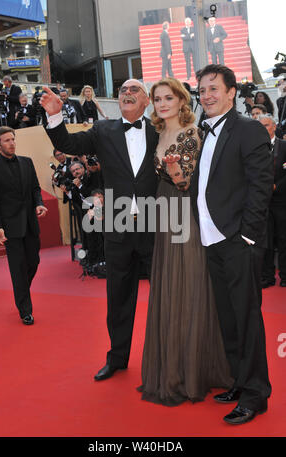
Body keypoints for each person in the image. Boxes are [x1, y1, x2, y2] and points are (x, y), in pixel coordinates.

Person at [40, 79, 159, 381]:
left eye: (135, 90)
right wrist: (55, 116)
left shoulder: (162, 130)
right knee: (118, 296)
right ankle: (117, 358)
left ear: (147, 100)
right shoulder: (103, 131)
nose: (127, 94)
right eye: (122, 91)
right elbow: (69, 145)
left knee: (166, 296)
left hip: (156, 227)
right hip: (117, 228)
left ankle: (167, 358)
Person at [138, 78, 233, 406]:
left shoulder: (191, 135)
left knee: (188, 286)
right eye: (157, 98)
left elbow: (191, 185)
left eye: (168, 97)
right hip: (165, 215)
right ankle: (172, 365)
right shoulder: (161, 132)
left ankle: (190, 371)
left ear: (181, 101)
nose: (162, 103)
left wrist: (177, 175)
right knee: (169, 285)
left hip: (185, 215)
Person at [190, 64, 273, 425]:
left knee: (246, 318)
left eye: (213, 89)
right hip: (212, 240)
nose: (206, 96)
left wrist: (247, 236)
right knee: (228, 317)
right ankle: (240, 381)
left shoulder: (248, 129)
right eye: (202, 90)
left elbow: (260, 186)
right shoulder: (203, 131)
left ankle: (256, 395)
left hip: (238, 240)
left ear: (231, 92)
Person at [0, 126, 48, 324]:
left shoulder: (27, 162)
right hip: (11, 227)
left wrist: (39, 203)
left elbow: (36, 189)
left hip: (30, 223)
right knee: (17, 268)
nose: (11, 143)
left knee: (33, 263)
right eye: (6, 140)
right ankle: (25, 310)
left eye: (12, 139)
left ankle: (21, 290)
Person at [258, 114, 286, 288]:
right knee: (265, 241)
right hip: (262, 201)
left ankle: (285, 275)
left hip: (281, 201)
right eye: (260, 126)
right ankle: (267, 276)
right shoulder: (255, 147)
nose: (264, 129)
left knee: (283, 239)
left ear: (274, 126)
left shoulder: (284, 146)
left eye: (266, 125)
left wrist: (277, 187)